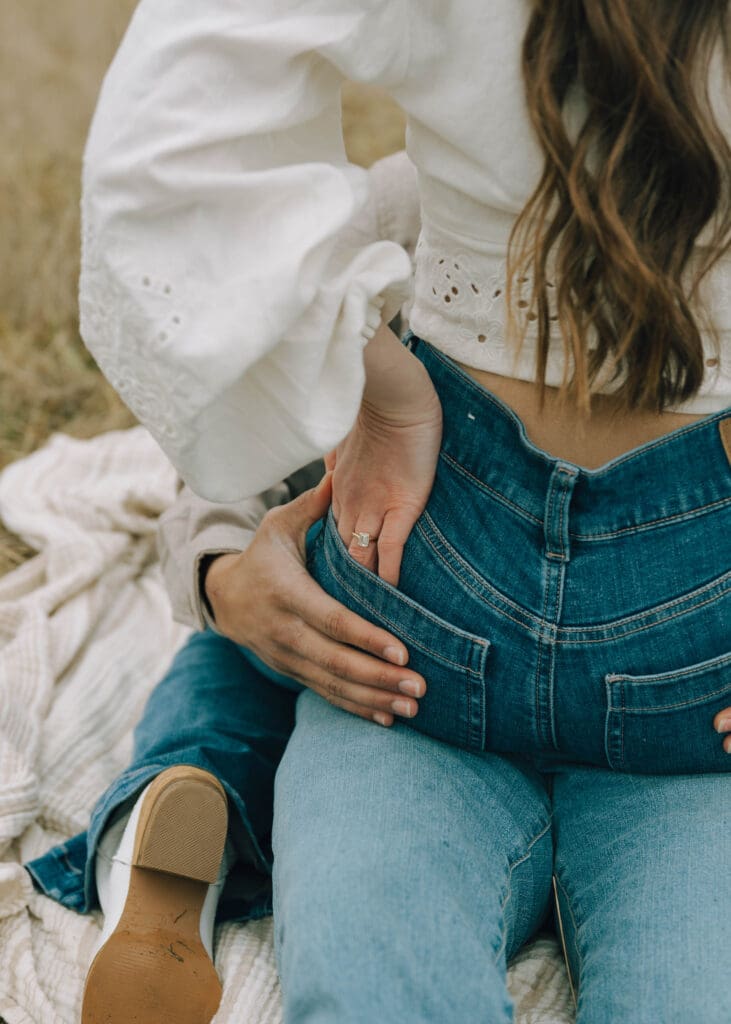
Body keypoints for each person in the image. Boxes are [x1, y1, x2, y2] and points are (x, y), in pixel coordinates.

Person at [73, 1, 731, 1021]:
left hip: (452, 604)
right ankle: (188, 781)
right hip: (431, 634)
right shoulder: (386, 217)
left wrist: (374, 380)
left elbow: (172, 143)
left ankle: (183, 801)